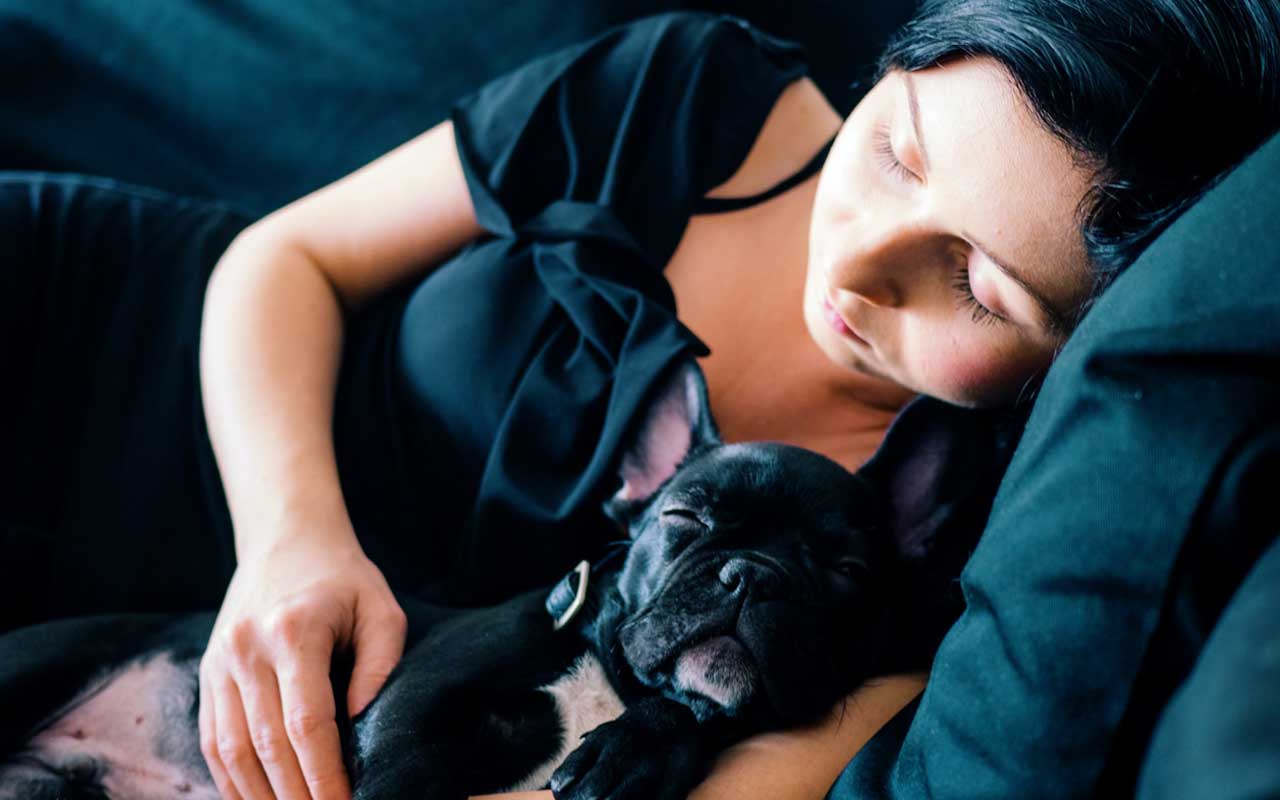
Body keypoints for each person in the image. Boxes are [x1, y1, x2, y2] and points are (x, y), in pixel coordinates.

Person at [1, 2, 1275, 800]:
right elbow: (285, 260)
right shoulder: (699, 93)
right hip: (138, 361)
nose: (860, 263)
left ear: (1070, 352)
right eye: (893, 149)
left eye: (976, 288)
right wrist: (290, 541)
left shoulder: (960, 534)